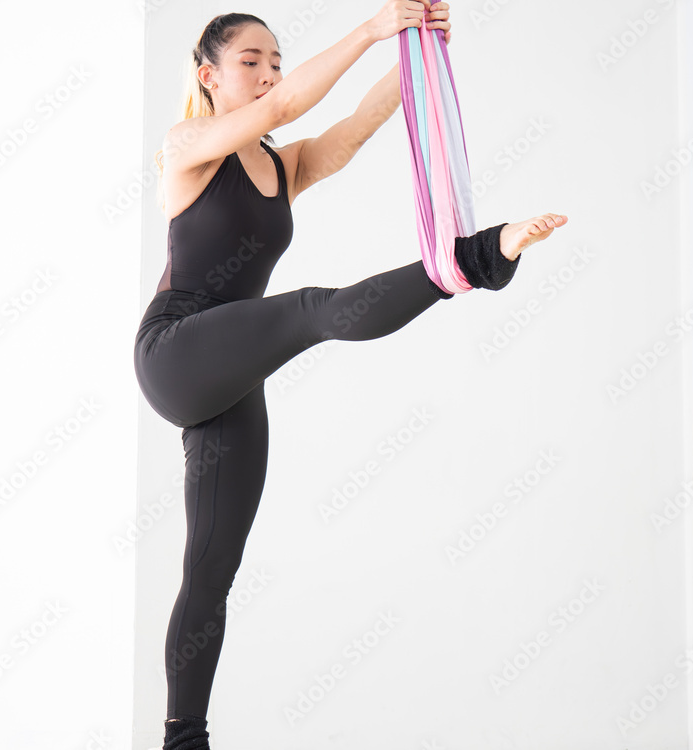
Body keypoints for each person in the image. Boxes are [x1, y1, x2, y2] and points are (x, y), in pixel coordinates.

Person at [133, 3, 568, 748]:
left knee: (211, 568)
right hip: (176, 350)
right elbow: (291, 102)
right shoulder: (187, 145)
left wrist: (414, 59)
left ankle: (183, 741)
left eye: (276, 58)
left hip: (233, 373)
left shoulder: (278, 163)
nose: (269, 71)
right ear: (208, 75)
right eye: (251, 60)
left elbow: (350, 132)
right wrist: (371, 28)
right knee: (307, 309)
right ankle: (473, 260)